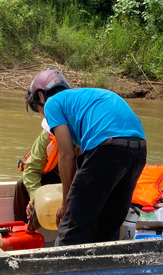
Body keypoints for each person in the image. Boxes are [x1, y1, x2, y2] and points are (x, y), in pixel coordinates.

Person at [25, 70, 147, 245]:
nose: (44, 115)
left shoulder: (52, 103)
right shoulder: (84, 99)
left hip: (107, 148)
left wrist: (67, 204)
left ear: (40, 96)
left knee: (72, 228)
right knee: (107, 226)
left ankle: (61, 270)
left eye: (38, 109)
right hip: (138, 151)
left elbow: (67, 156)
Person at [12, 117, 62, 226]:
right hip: (56, 175)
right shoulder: (47, 135)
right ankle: (22, 227)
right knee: (21, 184)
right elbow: (32, 169)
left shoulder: (86, 136)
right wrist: (36, 198)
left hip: (78, 178)